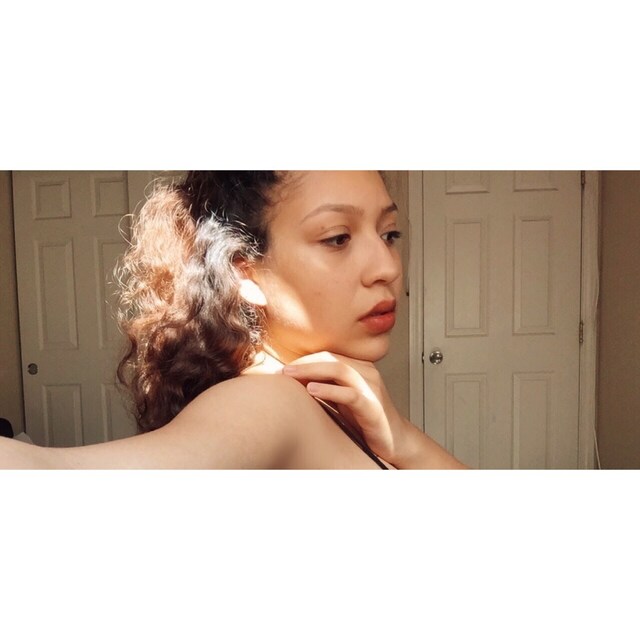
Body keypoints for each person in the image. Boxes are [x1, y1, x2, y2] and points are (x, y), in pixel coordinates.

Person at [1, 171, 466, 470]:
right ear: (246, 273)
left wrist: (404, 440)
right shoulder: (265, 402)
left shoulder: (323, 398)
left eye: (389, 233)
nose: (386, 267)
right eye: (337, 238)